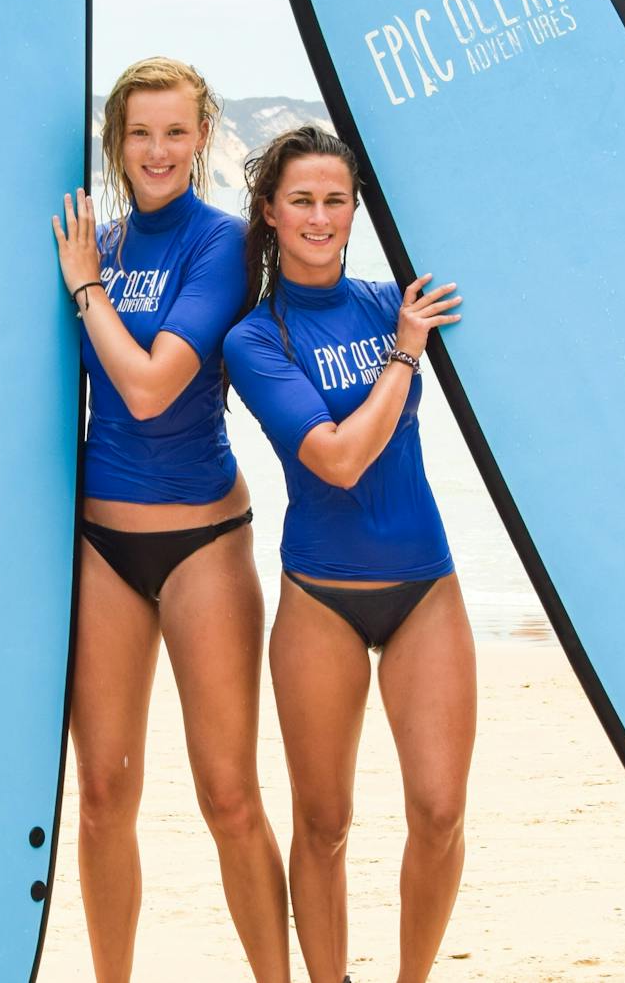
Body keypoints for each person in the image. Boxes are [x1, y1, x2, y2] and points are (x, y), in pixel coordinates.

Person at [50, 58, 289, 982]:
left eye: (176, 132)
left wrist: (86, 292)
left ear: (202, 138)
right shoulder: (98, 242)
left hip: (203, 543)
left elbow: (151, 390)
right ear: (116, 141)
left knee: (229, 797)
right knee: (101, 798)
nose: (158, 151)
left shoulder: (223, 244)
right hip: (101, 545)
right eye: (140, 133)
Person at [222, 125, 472, 983]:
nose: (320, 216)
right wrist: (405, 353)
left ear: (356, 208)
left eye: (336, 199)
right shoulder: (256, 339)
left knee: (439, 812)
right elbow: (336, 459)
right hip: (319, 596)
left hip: (424, 586)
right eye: (302, 200)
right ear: (270, 211)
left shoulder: (393, 300)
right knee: (323, 825)